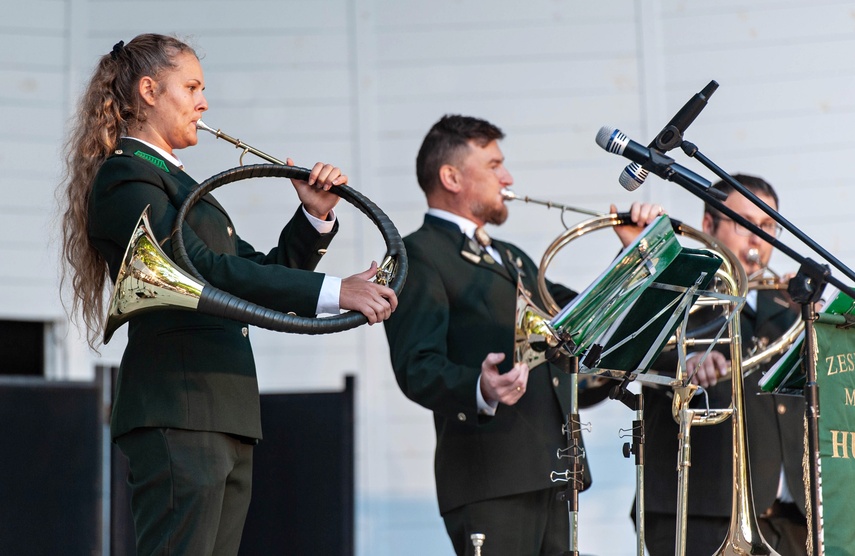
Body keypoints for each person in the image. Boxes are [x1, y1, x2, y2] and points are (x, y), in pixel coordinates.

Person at [58, 33, 396, 555]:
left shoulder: (172, 180)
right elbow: (206, 271)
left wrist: (313, 215)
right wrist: (335, 291)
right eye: (191, 86)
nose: (204, 102)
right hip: (179, 407)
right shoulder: (127, 175)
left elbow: (250, 272)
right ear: (149, 91)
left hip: (222, 411)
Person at [383, 114, 664, 556]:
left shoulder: (510, 255)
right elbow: (415, 366)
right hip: (491, 481)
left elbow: (577, 316)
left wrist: (630, 253)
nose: (508, 177)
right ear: (451, 177)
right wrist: (480, 387)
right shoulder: (417, 254)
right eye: (494, 165)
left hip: (554, 471)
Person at [640, 174, 806, 555]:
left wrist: (813, 318)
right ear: (708, 226)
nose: (757, 237)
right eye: (744, 223)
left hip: (791, 518)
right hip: (699, 514)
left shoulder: (790, 307)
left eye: (767, 225)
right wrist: (685, 362)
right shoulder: (677, 293)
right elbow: (630, 350)